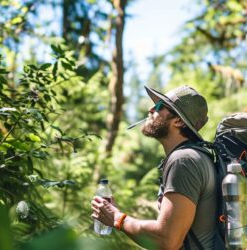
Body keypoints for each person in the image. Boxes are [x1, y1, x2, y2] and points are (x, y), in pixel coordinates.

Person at [91, 85, 220, 250]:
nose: (151, 109)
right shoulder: (195, 157)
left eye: (159, 106)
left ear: (179, 121)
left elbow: (168, 240)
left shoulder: (183, 160)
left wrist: (117, 218)